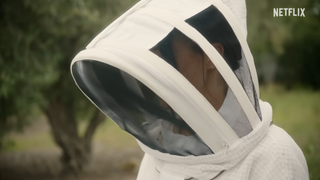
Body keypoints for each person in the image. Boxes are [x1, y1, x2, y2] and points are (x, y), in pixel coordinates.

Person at [70, 0, 309, 179]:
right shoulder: (161, 149)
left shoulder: (276, 155)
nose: (154, 72)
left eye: (164, 54)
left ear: (211, 57)